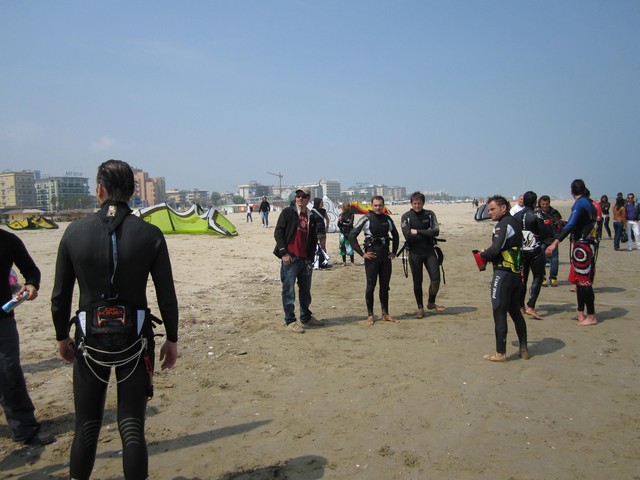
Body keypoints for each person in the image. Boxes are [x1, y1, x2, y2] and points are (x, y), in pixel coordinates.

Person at [51, 159, 179, 480]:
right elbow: (166, 294)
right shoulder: (150, 234)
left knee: (87, 426)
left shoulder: (74, 233)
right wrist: (172, 338)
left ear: (100, 190)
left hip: (89, 338)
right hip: (136, 339)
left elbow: (60, 295)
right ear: (133, 192)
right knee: (132, 425)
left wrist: (61, 336)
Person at [0, 230, 55, 446]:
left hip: (3, 319)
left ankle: (25, 430)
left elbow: (31, 270)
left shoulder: (8, 240)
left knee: (9, 371)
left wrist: (32, 284)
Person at [479, 195, 529, 362]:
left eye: (493, 209)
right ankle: (523, 349)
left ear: (503, 208)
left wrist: (483, 255)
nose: (490, 213)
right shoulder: (514, 223)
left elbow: (495, 250)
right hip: (515, 275)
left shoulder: (503, 225)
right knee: (515, 311)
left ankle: (500, 353)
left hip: (503, 274)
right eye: (488, 210)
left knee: (499, 311)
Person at [546, 179, 598, 326]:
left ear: (572, 191)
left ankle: (591, 316)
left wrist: (555, 243)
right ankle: (580, 312)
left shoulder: (580, 203)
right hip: (587, 243)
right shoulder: (590, 202)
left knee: (585, 282)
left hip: (583, 245)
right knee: (579, 281)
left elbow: (572, 224)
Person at [273, 187, 324, 333]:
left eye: (303, 196)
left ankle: (306, 317)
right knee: (288, 291)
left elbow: (313, 238)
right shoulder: (288, 212)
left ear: (308, 198)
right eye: (298, 196)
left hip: (305, 260)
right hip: (290, 258)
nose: (300, 198)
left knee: (305, 292)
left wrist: (311, 258)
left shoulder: (311, 216)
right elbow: (278, 232)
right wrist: (284, 253)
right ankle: (290, 321)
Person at [349, 196, 400, 326]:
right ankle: (370, 315)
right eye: (375, 205)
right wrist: (362, 254)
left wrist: (394, 252)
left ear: (383, 206)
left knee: (385, 286)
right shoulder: (366, 219)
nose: (378, 207)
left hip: (385, 257)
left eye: (380, 205)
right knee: (370, 286)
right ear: (371, 206)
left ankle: (385, 314)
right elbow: (352, 235)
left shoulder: (387, 219)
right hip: (372, 257)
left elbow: (395, 235)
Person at [401, 191, 445, 319]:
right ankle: (420, 308)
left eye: (419, 203)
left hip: (429, 251)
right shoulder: (406, 217)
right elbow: (408, 235)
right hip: (415, 253)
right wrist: (426, 232)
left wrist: (418, 231)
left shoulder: (430, 214)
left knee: (436, 279)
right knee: (417, 281)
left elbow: (436, 231)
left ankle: (431, 302)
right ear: (411, 203)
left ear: (423, 203)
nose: (417, 206)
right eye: (414, 203)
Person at [514, 191, 547, 320]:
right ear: (535, 202)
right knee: (538, 277)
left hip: (521, 251)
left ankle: (520, 306)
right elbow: (543, 233)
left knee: (523, 279)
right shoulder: (536, 215)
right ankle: (531, 306)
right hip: (534, 251)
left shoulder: (516, 215)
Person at [536, 195, 563, 287]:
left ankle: (553, 278)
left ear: (549, 203)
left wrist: (556, 221)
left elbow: (560, 224)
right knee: (541, 259)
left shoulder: (554, 213)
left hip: (553, 240)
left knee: (554, 259)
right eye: (543, 204)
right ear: (540, 203)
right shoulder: (537, 213)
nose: (545, 206)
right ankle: (542, 278)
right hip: (541, 240)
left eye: (546, 204)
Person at [337, 202, 355, 266]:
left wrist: (342, 223)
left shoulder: (351, 215)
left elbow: (350, 224)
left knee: (350, 247)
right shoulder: (341, 215)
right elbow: (338, 225)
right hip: (342, 232)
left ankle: (352, 262)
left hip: (349, 232)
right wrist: (339, 221)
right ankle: (344, 262)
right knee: (342, 247)